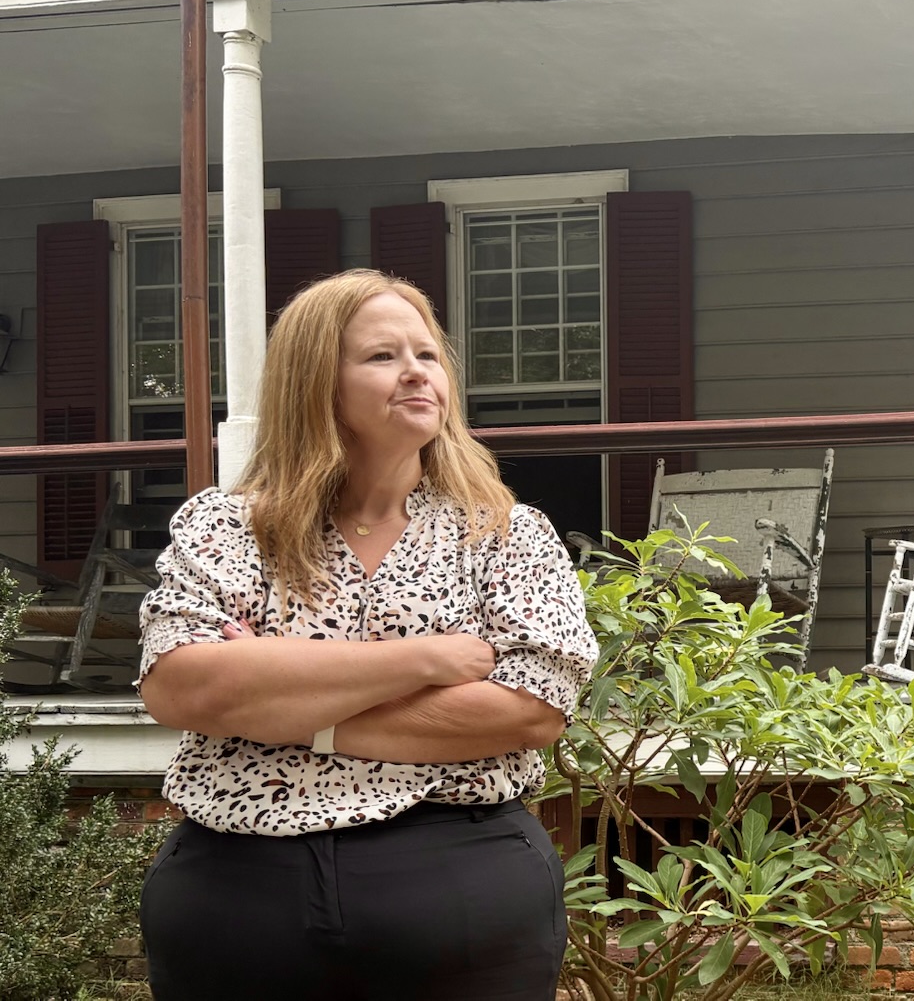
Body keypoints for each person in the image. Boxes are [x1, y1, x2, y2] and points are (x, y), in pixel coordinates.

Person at [136, 269, 598, 1001]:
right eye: (383, 356)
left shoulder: (506, 534)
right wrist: (425, 659)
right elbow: (181, 687)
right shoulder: (226, 526)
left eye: (428, 354)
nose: (417, 372)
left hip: (459, 875)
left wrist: (279, 706)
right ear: (316, 382)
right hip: (238, 889)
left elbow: (529, 711)